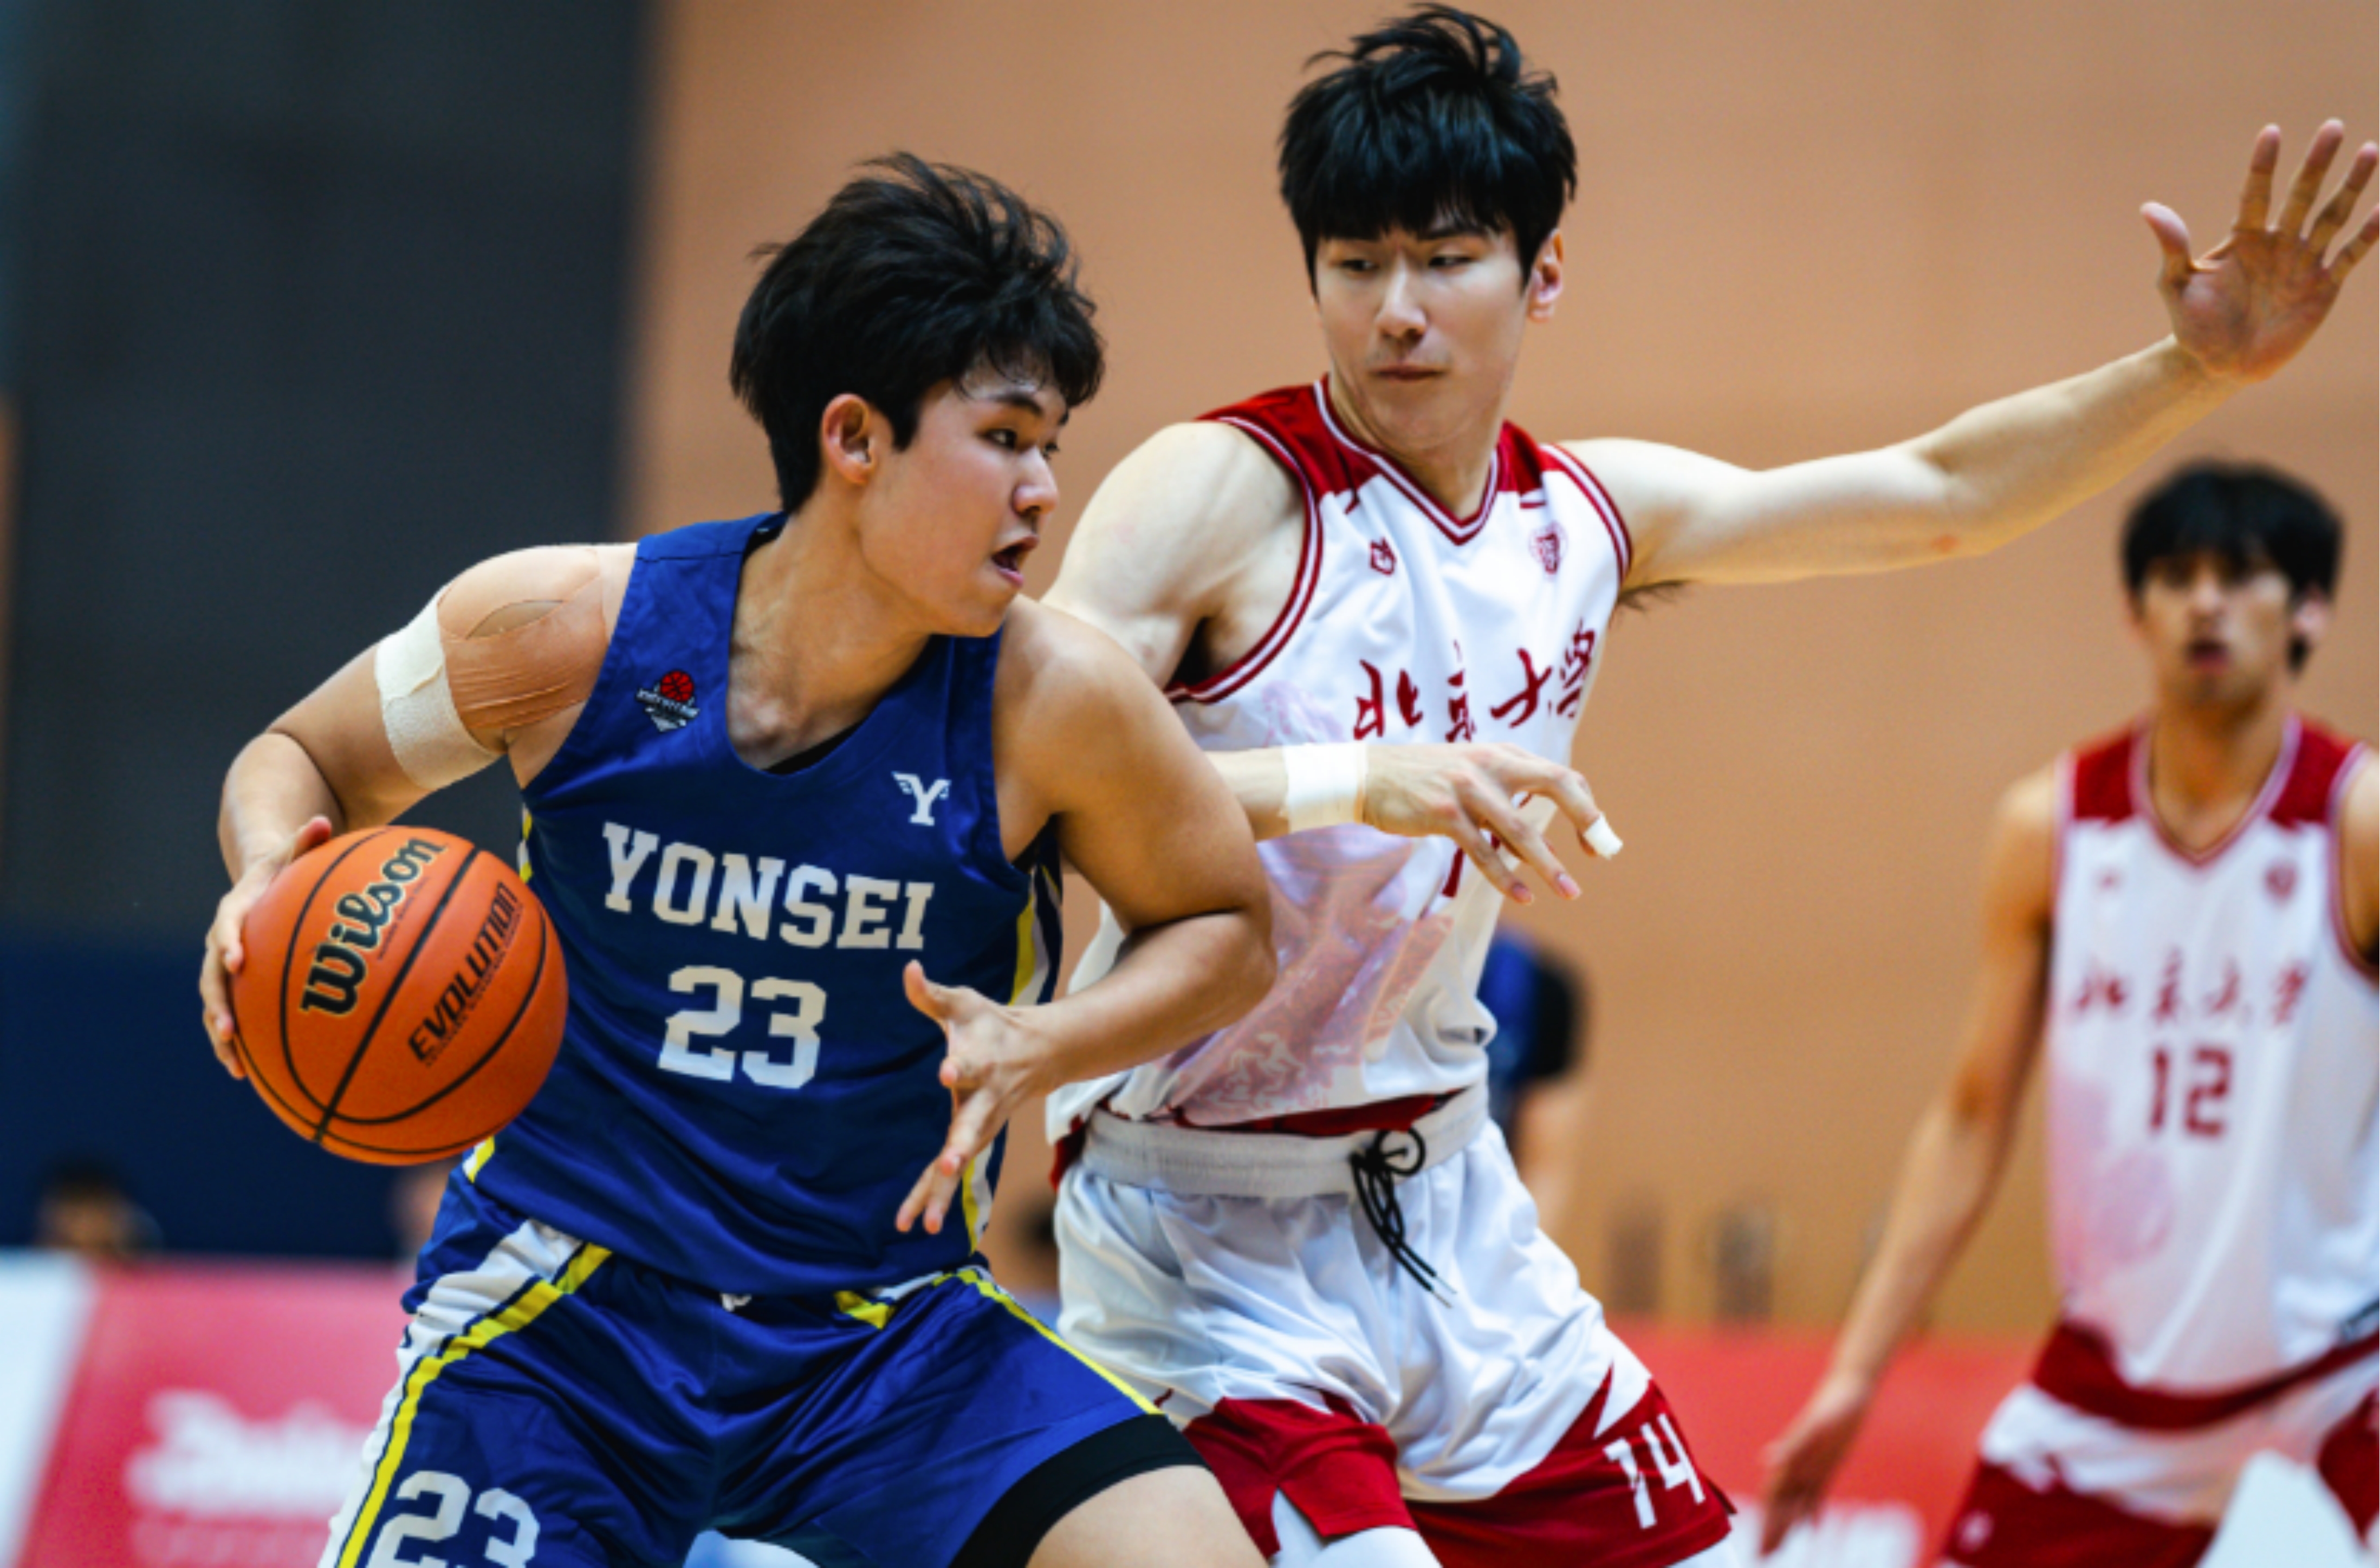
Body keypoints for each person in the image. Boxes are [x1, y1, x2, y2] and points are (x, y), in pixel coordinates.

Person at [1038, 9, 2377, 1566]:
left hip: (1445, 1199)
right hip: (1201, 1216)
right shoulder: (1219, 490)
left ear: (1541, 270)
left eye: (1446, 258)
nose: (1395, 309)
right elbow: (1026, 758)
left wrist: (2187, 371)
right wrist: (1357, 777)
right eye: (1354, 263)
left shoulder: (1585, 517)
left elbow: (1939, 492)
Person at [196, 157, 1277, 1568]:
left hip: (885, 1336)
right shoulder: (565, 629)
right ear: (855, 436)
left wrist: (1050, 1037)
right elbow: (302, 754)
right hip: (564, 1318)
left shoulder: (1054, 699)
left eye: (1052, 445)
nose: (1043, 489)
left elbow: (1228, 923)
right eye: (1007, 437)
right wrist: (266, 877)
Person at [1760, 463, 2375, 1565]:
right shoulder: (2051, 828)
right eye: (2174, 576)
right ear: (2133, 611)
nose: (2203, 603)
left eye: (2239, 575)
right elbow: (1969, 1119)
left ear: (2308, 610)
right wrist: (1853, 1374)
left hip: (2340, 1367)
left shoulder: (2355, 820)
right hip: (2118, 1385)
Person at [1476, 932, 1590, 1239]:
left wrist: (1513, 1254)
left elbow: (1545, 1168)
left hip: (1483, 1228)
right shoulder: (1372, 978)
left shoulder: (1537, 987)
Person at [33, 1155, 159, 1260]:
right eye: (75, 1215)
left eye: (92, 1213)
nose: (85, 1227)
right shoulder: (32, 1271)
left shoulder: (146, 1267)